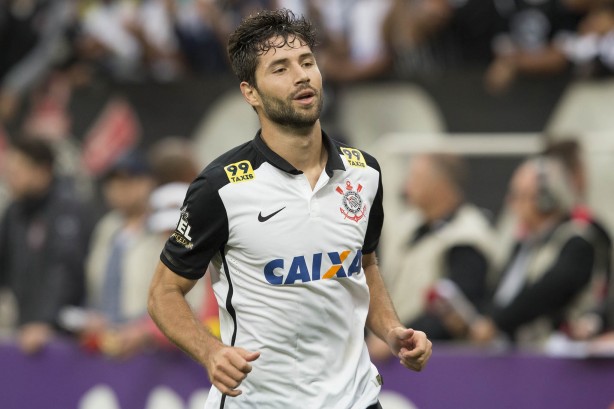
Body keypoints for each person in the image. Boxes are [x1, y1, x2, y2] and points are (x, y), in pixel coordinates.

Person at [147, 8, 432, 409]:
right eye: (280, 68)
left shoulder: (365, 173)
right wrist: (210, 352)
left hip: (357, 400)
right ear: (251, 92)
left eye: (307, 62)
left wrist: (391, 329)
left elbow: (364, 264)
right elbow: (164, 292)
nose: (301, 75)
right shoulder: (221, 187)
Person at [369, 153, 495, 355]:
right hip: (396, 350)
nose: (406, 186)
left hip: (438, 358)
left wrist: (400, 338)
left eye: (416, 178)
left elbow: (456, 310)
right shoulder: (407, 227)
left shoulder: (467, 236)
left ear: (441, 185)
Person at [470, 156, 596, 346]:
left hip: (557, 360)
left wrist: (495, 322)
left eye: (517, 195)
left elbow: (547, 291)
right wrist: (478, 320)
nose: (510, 203)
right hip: (515, 354)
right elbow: (500, 294)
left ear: (545, 200)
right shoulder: (524, 244)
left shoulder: (576, 240)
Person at [0, 137, 92, 354]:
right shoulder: (15, 212)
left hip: (61, 335)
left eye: (17, 171)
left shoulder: (68, 209)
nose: (9, 178)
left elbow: (64, 271)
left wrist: (47, 322)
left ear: (42, 171)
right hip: (25, 329)